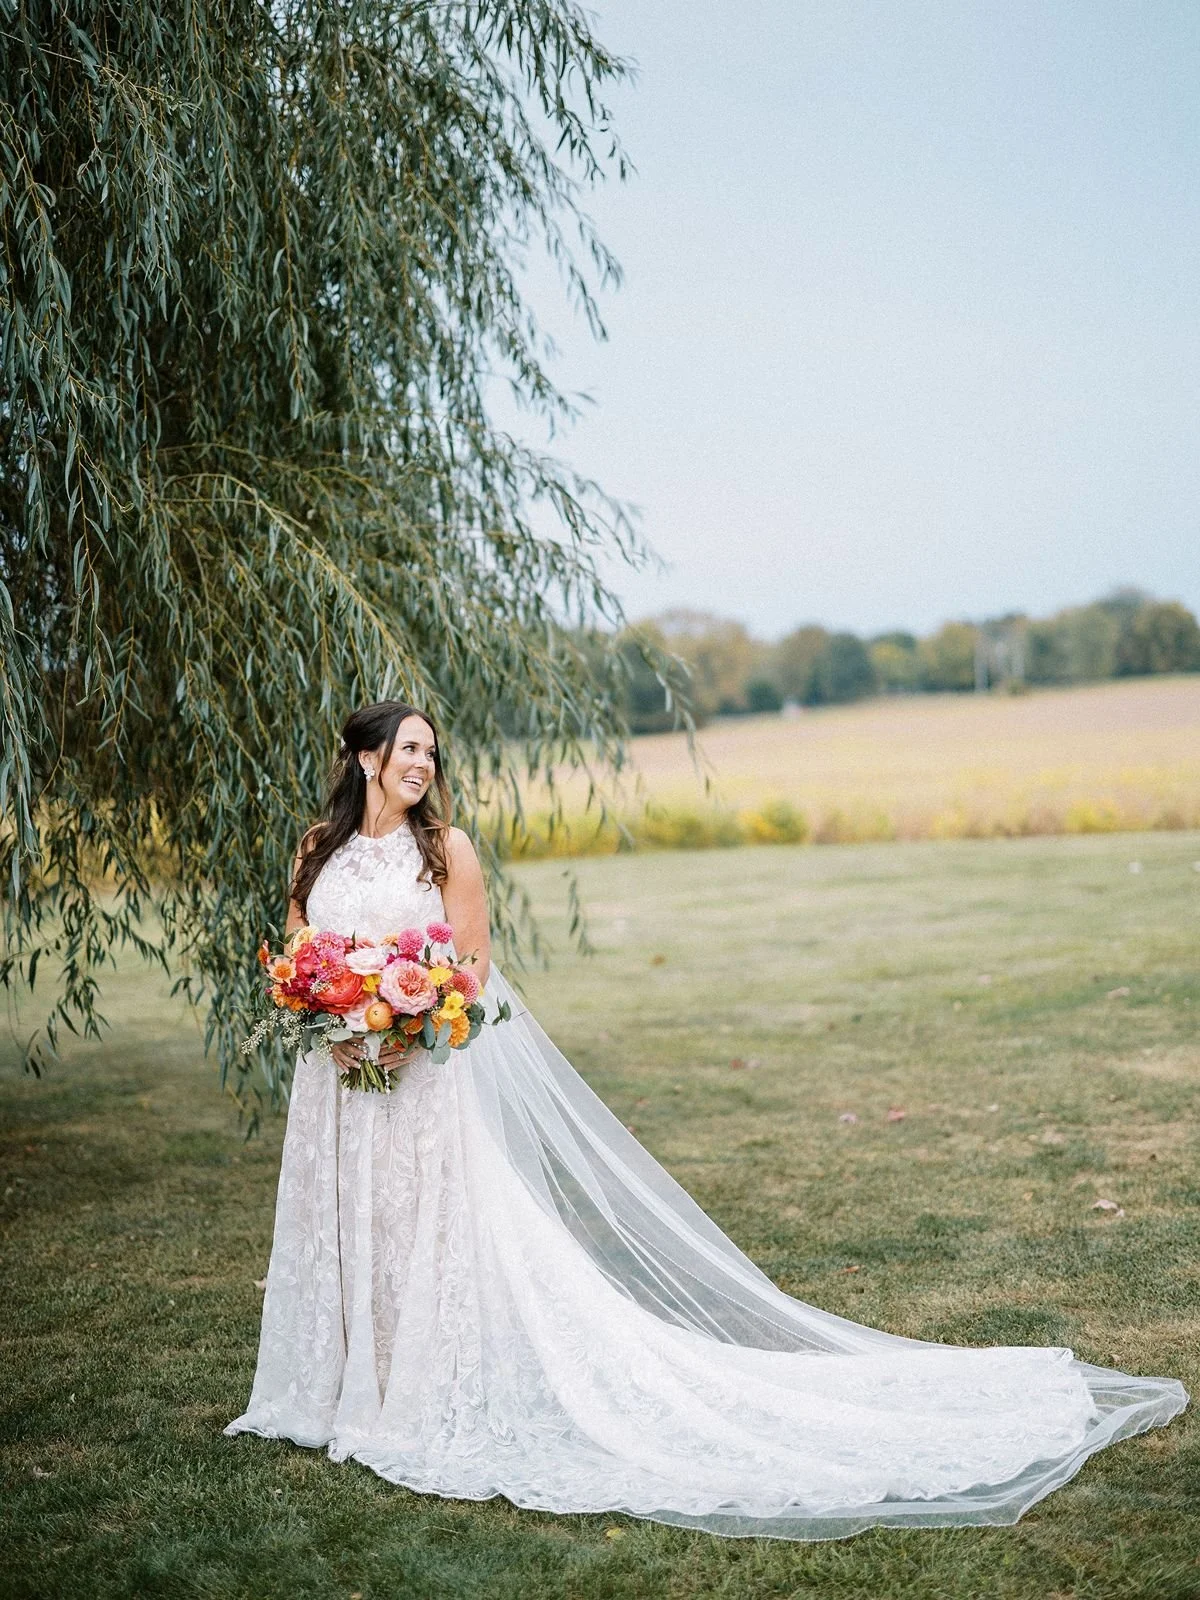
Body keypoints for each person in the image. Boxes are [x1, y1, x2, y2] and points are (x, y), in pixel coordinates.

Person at [225, 699, 1186, 1540]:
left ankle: (415, 1392)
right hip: (338, 1083)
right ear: (365, 759)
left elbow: (470, 971)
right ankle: (338, 1387)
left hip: (419, 1079)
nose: (423, 765)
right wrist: (336, 1022)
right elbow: (301, 959)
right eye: (408, 750)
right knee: (348, 1226)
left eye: (432, 752)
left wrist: (406, 1024)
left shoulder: (449, 850)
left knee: (422, 1232)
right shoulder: (319, 849)